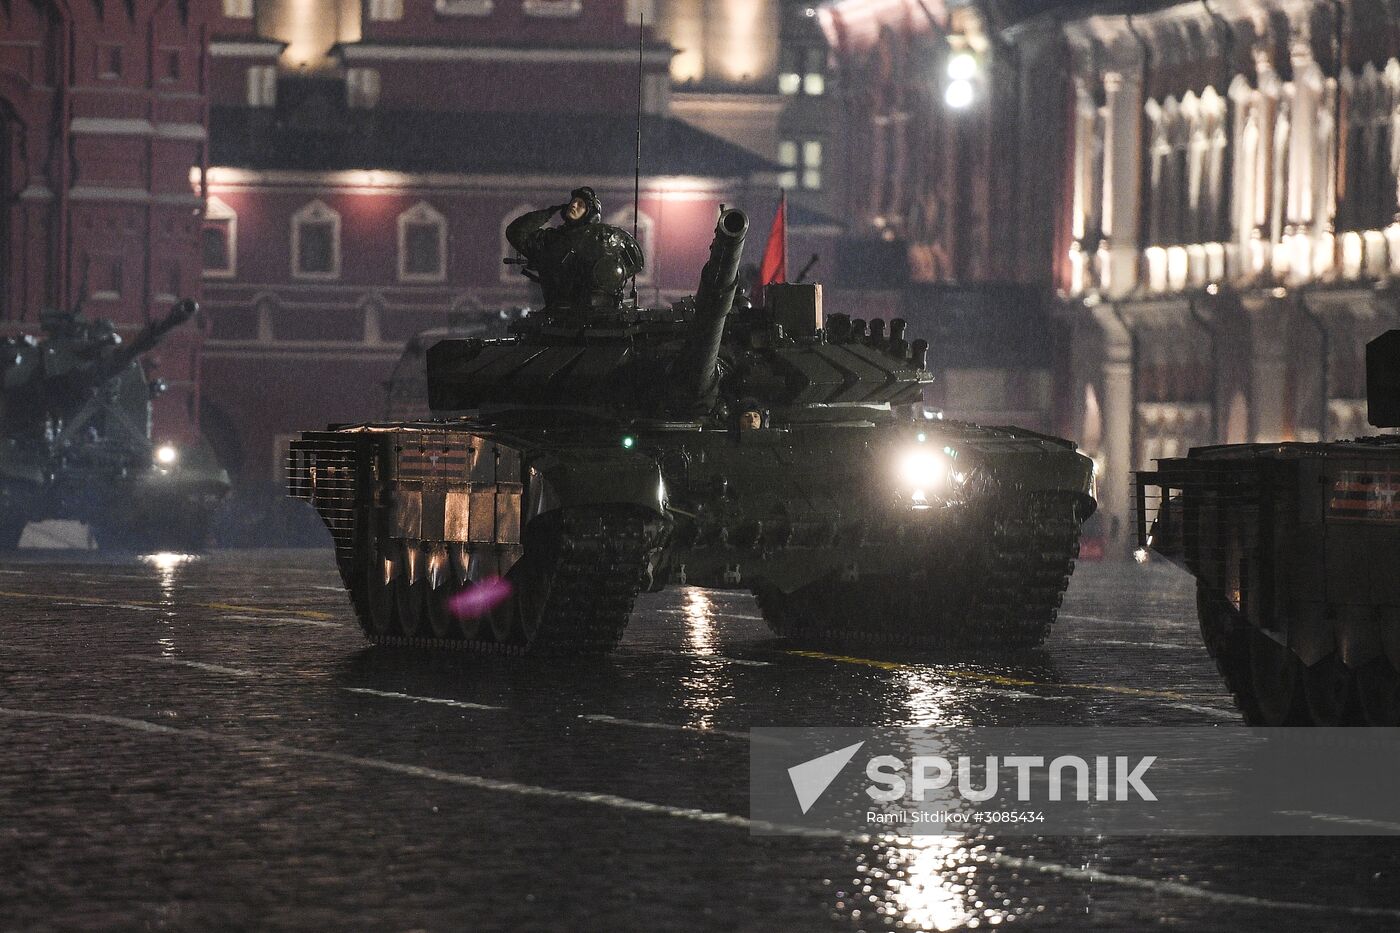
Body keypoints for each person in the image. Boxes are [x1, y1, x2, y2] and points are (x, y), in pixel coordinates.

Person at [505, 187, 643, 311]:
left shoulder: (603, 243)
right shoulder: (552, 240)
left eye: (581, 205)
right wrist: (550, 211)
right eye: (573, 202)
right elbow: (516, 232)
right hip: (560, 313)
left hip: (602, 313)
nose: (574, 205)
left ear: (590, 214)